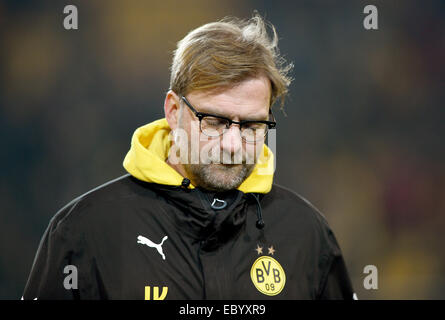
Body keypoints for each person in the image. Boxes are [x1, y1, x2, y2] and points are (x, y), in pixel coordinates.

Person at [23, 13, 355, 300]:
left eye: (252, 126)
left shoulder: (307, 235)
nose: (233, 145)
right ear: (172, 110)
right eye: (214, 122)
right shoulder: (84, 233)